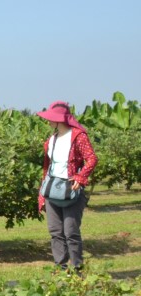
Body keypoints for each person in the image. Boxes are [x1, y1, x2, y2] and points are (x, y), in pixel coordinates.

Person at [36, 101, 97, 271]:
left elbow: (92, 159)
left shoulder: (78, 136)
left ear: (59, 119)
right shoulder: (51, 141)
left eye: (51, 118)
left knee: (71, 232)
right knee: (55, 232)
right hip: (52, 190)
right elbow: (47, 168)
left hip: (71, 191)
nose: (48, 121)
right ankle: (61, 269)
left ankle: (77, 269)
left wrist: (80, 176)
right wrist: (42, 195)